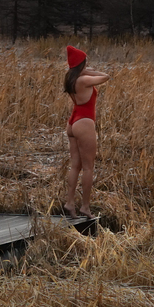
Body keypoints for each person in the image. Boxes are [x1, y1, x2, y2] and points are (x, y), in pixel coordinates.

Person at [62, 46, 108, 219]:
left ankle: (70, 202)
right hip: (84, 121)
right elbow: (106, 77)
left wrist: (82, 70)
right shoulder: (84, 80)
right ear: (81, 63)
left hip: (73, 122)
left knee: (75, 165)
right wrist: (90, 70)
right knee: (88, 167)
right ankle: (85, 207)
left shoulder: (71, 78)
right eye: (85, 62)